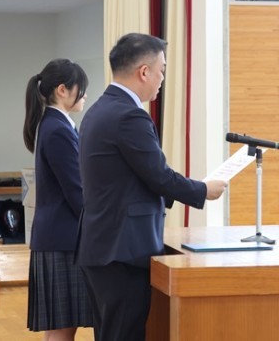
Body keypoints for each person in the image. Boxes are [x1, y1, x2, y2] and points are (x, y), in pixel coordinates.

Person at [76, 32, 228, 341]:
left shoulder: (99, 110)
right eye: (162, 70)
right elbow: (159, 176)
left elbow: (131, 179)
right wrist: (202, 190)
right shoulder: (129, 116)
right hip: (122, 250)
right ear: (144, 71)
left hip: (101, 245)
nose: (162, 79)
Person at [23, 59, 93, 340]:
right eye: (81, 88)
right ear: (62, 90)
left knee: (59, 330)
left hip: (56, 238)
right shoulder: (58, 129)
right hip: (62, 241)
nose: (85, 95)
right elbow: (77, 192)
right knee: (62, 330)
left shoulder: (55, 125)